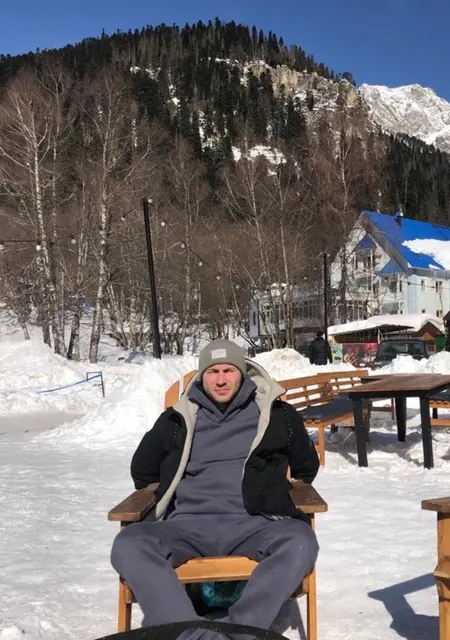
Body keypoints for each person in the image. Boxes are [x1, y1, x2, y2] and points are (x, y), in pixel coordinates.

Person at [111, 339, 320, 633]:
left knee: (300, 541)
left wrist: (278, 489)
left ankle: (242, 631)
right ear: (201, 376)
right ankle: (192, 634)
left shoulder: (277, 415)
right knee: (129, 544)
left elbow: (306, 467)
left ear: (242, 373)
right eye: (212, 371)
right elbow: (143, 471)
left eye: (228, 370)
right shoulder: (176, 420)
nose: (220, 380)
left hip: (255, 523)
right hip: (187, 526)